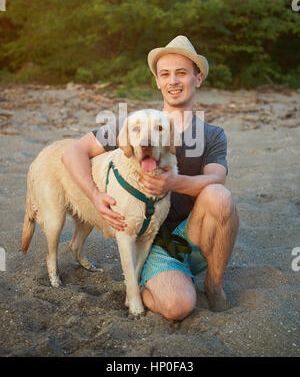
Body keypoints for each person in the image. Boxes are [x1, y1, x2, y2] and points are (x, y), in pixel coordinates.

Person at [61, 35, 239, 320]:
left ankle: (214, 285)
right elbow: (73, 153)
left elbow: (217, 179)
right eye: (165, 74)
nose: (173, 81)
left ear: (198, 78)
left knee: (220, 196)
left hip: (193, 234)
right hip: (155, 242)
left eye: (182, 73)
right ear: (157, 81)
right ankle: (155, 280)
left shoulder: (212, 135)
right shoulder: (133, 125)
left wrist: (174, 183)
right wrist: (95, 196)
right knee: (179, 307)